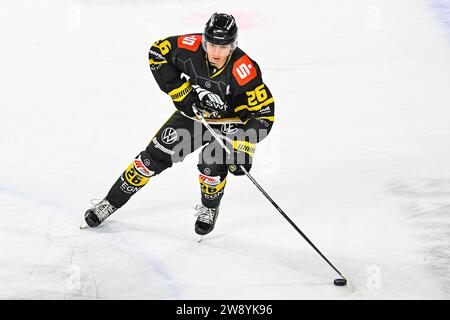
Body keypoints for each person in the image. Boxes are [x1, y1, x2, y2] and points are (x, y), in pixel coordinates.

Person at [84, 13, 275, 236]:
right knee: (150, 160)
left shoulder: (245, 70)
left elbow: (264, 112)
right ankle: (110, 202)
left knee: (210, 164)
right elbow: (158, 52)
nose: (216, 52)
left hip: (230, 123)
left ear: (233, 45)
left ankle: (210, 209)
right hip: (195, 115)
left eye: (223, 47)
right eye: (212, 44)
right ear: (204, 40)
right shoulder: (189, 47)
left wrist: (244, 144)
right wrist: (179, 90)